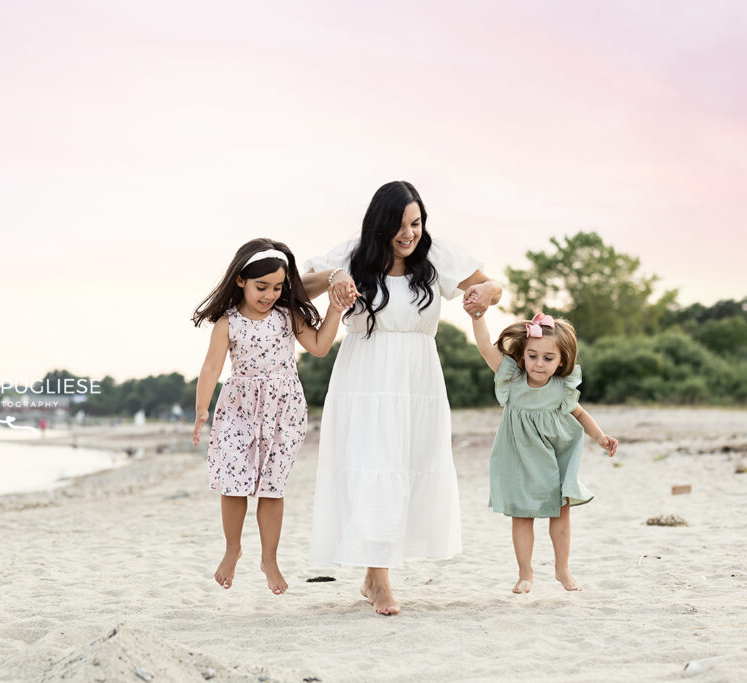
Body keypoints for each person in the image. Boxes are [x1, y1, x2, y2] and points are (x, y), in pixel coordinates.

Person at [303, 180, 501, 615]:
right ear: (379, 224)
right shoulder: (351, 256)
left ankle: (375, 575)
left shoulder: (436, 256)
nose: (409, 233)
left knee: (405, 468)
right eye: (399, 224)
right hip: (365, 379)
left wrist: (487, 291)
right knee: (376, 467)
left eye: (416, 222)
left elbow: (492, 287)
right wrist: (336, 276)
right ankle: (379, 579)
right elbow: (299, 289)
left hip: (418, 380)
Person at [192, 238, 348, 595]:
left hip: (283, 410)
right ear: (241, 281)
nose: (270, 295)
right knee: (233, 485)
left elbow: (320, 347)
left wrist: (335, 311)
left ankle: (269, 558)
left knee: (271, 488)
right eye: (262, 287)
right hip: (238, 410)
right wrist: (202, 407)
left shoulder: (286, 316)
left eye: (278, 287)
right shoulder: (226, 323)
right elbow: (211, 367)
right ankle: (232, 549)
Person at [470, 309, 619, 593]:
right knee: (522, 516)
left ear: (562, 360)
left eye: (548, 358)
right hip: (519, 458)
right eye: (532, 356)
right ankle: (525, 574)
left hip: (554, 457)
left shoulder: (562, 388)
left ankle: (562, 569)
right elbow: (485, 346)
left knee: (560, 514)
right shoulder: (512, 379)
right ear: (523, 354)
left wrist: (599, 436)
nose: (539, 364)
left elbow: (580, 414)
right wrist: (477, 316)